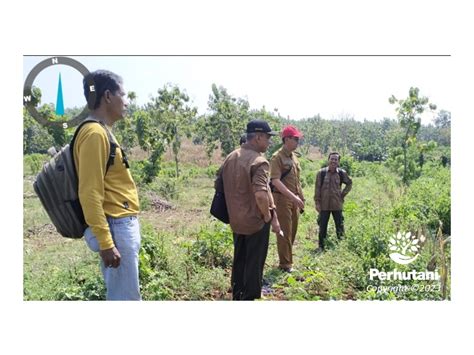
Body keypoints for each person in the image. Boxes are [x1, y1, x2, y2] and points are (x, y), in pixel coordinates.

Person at [74, 70, 141, 300]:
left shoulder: (102, 131)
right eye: (123, 94)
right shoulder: (94, 134)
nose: (127, 101)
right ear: (108, 96)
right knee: (125, 299)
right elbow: (89, 192)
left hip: (118, 224)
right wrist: (106, 242)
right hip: (115, 225)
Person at [219, 119, 282, 300]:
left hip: (236, 220)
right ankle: (250, 297)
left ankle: (237, 293)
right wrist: (268, 216)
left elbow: (220, 185)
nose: (269, 142)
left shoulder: (231, 156)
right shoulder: (259, 162)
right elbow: (261, 194)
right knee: (254, 263)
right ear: (258, 137)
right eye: (268, 138)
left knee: (239, 259)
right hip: (255, 222)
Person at [269, 125, 305, 272]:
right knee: (284, 232)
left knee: (292, 231)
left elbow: (297, 180)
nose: (298, 142)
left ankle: (288, 260)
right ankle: (285, 264)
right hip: (282, 200)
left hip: (294, 201)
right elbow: (275, 181)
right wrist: (293, 197)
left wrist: (301, 197)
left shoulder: (294, 157)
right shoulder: (277, 157)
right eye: (295, 139)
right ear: (287, 139)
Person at [314, 152, 352, 252]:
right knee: (322, 226)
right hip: (324, 204)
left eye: (336, 159)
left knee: (340, 225)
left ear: (338, 162)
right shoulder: (321, 173)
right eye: (332, 159)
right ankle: (321, 246)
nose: (333, 161)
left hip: (337, 204)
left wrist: (342, 195)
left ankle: (342, 247)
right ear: (328, 160)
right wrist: (317, 203)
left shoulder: (341, 173)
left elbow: (349, 183)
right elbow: (317, 189)